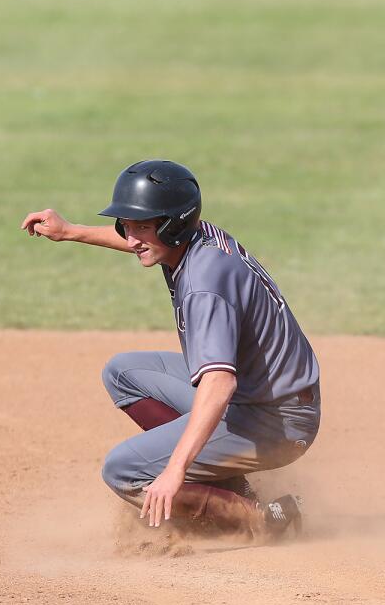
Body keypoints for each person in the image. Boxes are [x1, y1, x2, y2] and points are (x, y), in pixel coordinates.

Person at [21, 159, 318, 541]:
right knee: (123, 373)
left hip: (276, 420)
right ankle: (227, 481)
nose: (131, 239)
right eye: (125, 226)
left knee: (123, 470)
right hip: (263, 396)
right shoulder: (194, 238)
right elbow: (141, 242)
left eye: (141, 227)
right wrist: (70, 231)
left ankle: (266, 519)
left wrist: (176, 470)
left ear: (173, 226)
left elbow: (219, 382)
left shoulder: (204, 285)